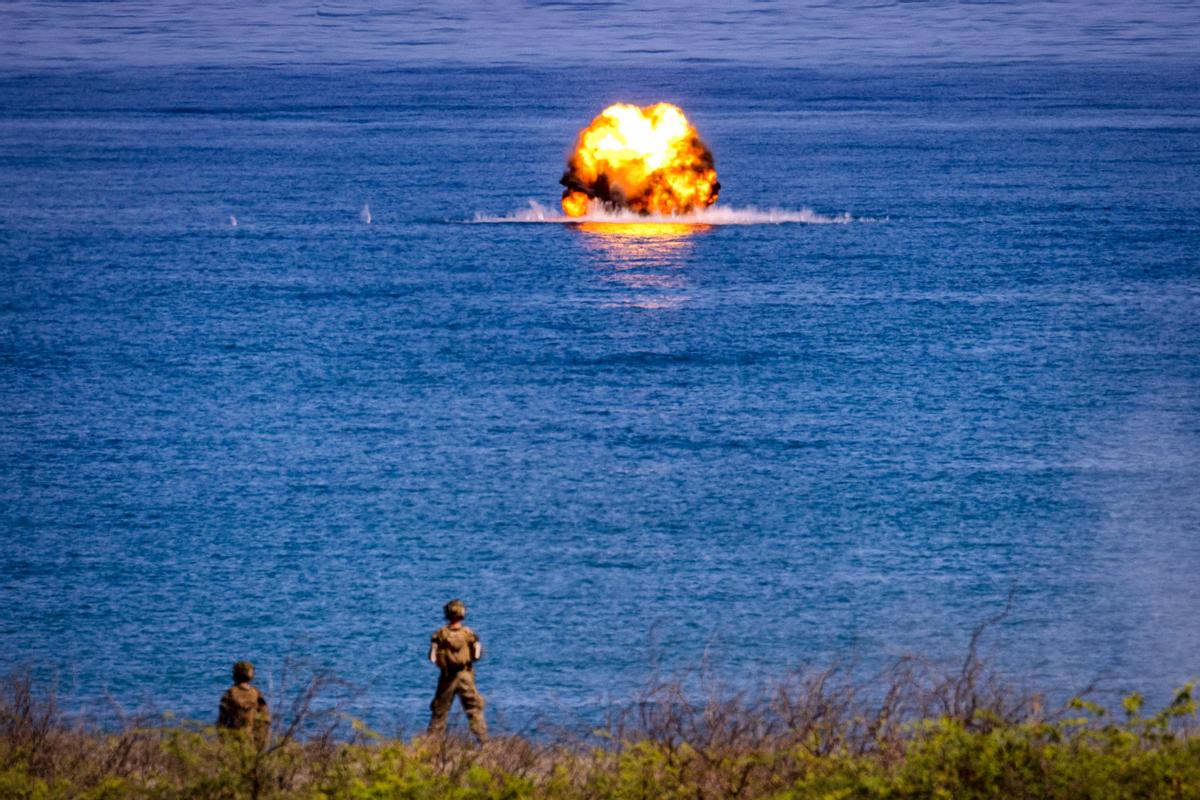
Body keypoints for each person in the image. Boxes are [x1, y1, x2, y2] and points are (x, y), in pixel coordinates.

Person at [427, 599, 487, 742]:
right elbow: (477, 655)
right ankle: (484, 742)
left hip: (447, 677)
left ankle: (431, 744)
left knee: (439, 711)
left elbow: (432, 657)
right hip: (465, 675)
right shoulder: (468, 633)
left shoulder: (440, 634)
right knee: (474, 709)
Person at [217, 660, 270, 742]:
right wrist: (260, 740)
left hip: (233, 739)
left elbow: (222, 720)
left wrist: (222, 739)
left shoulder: (230, 693)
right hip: (251, 739)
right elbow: (265, 718)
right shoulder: (256, 693)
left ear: (235, 674)